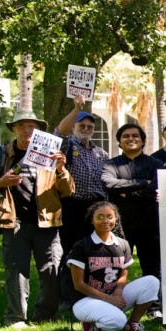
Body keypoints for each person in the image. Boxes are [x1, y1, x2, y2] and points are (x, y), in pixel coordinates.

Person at [0, 110, 75, 327]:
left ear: (38, 131)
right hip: (13, 222)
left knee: (51, 270)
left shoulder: (50, 154)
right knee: (16, 271)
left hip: (47, 222)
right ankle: (16, 317)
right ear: (14, 129)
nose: (27, 130)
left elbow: (67, 190)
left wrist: (61, 169)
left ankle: (45, 315)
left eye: (32, 126)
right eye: (21, 126)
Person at [64, 201, 159, 331]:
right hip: (85, 300)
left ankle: (132, 324)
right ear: (92, 220)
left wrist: (118, 291)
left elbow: (124, 273)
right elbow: (79, 284)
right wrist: (108, 299)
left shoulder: (122, 244)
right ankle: (90, 324)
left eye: (109, 217)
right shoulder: (82, 246)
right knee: (117, 321)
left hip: (113, 296)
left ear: (116, 219)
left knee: (151, 282)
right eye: (100, 217)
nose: (105, 221)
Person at [102, 123, 163, 279]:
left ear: (143, 141)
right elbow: (108, 184)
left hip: (150, 225)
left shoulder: (155, 163)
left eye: (135, 136)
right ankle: (116, 295)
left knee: (152, 271)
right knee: (115, 269)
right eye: (126, 136)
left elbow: (156, 188)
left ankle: (152, 296)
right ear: (119, 142)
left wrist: (124, 192)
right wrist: (143, 183)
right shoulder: (111, 164)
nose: (131, 139)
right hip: (120, 226)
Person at [55, 95, 108, 255]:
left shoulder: (101, 154)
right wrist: (77, 109)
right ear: (73, 127)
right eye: (82, 125)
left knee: (95, 252)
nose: (86, 129)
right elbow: (60, 133)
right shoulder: (67, 146)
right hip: (72, 207)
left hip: (96, 207)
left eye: (90, 126)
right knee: (71, 250)